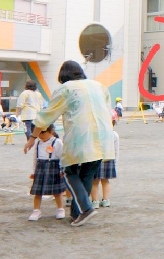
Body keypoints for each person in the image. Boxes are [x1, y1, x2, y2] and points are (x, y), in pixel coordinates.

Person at [27, 60, 115, 227]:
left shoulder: (65, 89)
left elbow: (47, 116)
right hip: (103, 135)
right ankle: (77, 214)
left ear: (63, 76)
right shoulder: (99, 86)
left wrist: (32, 138)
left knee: (69, 171)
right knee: (87, 174)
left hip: (80, 134)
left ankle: (86, 209)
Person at [23, 124, 66, 221]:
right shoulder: (38, 143)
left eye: (43, 133)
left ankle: (60, 209)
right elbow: (35, 158)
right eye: (39, 133)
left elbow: (62, 157)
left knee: (57, 192)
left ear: (51, 131)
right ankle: (36, 210)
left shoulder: (57, 142)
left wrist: (61, 169)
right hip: (40, 168)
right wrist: (33, 171)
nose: (41, 135)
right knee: (38, 192)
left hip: (53, 167)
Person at [91, 114, 119, 207]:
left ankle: (95, 201)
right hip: (108, 158)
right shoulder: (114, 134)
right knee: (105, 180)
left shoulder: (94, 133)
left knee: (95, 181)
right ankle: (105, 199)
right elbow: (116, 150)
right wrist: (115, 162)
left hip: (95, 158)